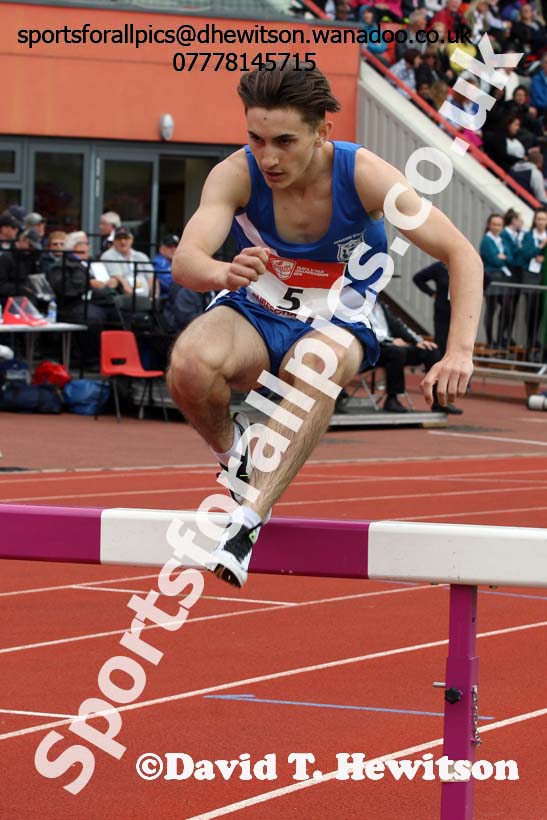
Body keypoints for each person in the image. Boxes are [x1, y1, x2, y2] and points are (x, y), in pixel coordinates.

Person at [167, 61, 483, 588]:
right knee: (189, 364)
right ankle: (236, 454)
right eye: (257, 138)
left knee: (316, 364)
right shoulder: (236, 173)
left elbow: (461, 253)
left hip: (337, 318)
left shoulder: (364, 175)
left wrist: (459, 351)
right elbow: (187, 261)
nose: (269, 157)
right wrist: (224, 269)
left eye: (285, 141)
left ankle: (246, 523)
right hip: (258, 309)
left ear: (322, 134)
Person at [368, 297, 463, 414]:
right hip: (372, 351)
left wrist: (418, 341)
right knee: (397, 352)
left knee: (431, 350)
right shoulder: (354, 306)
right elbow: (361, 330)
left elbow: (398, 325)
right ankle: (392, 399)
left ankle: (439, 400)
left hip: (392, 347)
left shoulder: (381, 305)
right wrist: (388, 341)